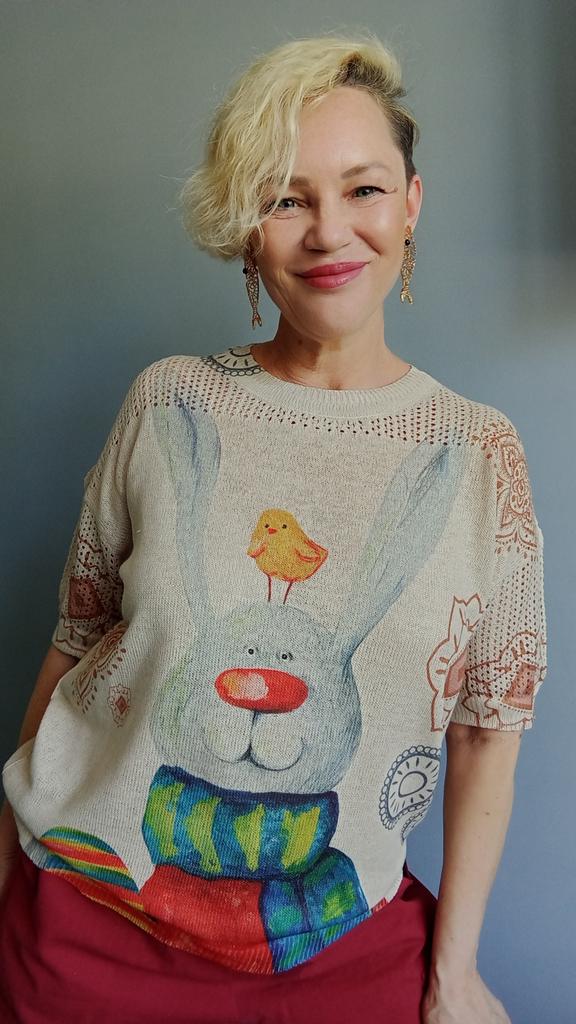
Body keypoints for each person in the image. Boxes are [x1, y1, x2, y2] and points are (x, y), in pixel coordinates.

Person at [0, 33, 548, 1024]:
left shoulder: (477, 455)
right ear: (247, 229)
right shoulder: (167, 405)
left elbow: (487, 734)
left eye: (364, 189)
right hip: (83, 929)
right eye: (286, 199)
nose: (330, 231)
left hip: (335, 947)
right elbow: (76, 642)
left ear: (411, 204)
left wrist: (454, 973)